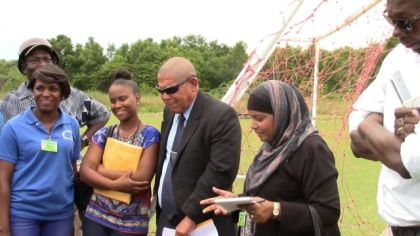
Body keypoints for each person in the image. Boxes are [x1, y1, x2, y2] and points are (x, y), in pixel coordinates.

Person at [201, 80, 341, 236]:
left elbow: (328, 211)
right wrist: (237, 203)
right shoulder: (270, 148)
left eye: (259, 118)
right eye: (251, 118)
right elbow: (264, 200)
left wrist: (276, 210)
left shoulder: (312, 149)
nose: (253, 125)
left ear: (282, 114)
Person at [349, 0, 420, 234]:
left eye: (405, 23)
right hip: (397, 225)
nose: (395, 31)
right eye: (390, 19)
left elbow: (407, 163)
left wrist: (371, 125)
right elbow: (356, 130)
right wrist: (388, 137)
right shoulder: (398, 58)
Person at [154, 57, 241, 236]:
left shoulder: (221, 117)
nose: (165, 97)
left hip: (203, 224)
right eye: (160, 91)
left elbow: (220, 171)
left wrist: (191, 217)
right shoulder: (170, 112)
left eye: (170, 90)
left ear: (193, 84)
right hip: (167, 219)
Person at [0, 64, 80, 236]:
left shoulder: (72, 125)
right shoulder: (13, 127)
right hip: (23, 214)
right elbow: (3, 180)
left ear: (63, 93)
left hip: (61, 215)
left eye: (53, 88)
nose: (45, 93)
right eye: (39, 88)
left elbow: (72, 169)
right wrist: (3, 225)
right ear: (32, 91)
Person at [79, 69, 160, 236]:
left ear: (137, 99)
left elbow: (140, 180)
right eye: (113, 101)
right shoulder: (104, 134)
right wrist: (115, 185)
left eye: (123, 99)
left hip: (132, 221)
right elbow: (85, 173)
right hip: (96, 216)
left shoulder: (150, 135)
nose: (117, 105)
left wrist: (100, 170)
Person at [0, 37, 110, 149]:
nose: (43, 65)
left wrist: (82, 141)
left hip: (67, 164)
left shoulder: (72, 95)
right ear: (24, 67)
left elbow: (102, 114)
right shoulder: (9, 103)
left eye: (47, 60)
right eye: (34, 60)